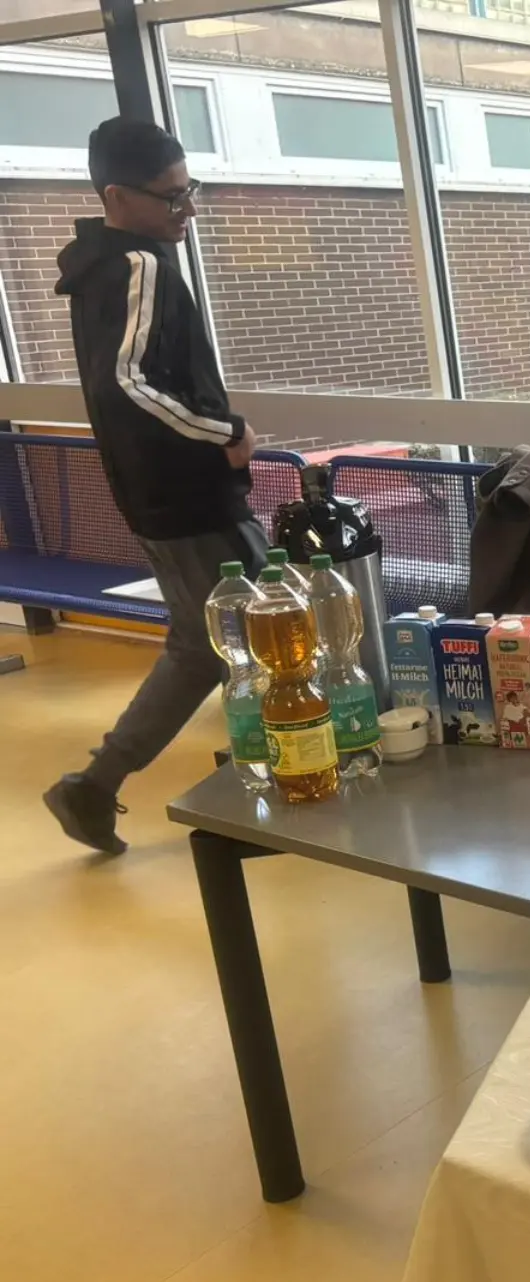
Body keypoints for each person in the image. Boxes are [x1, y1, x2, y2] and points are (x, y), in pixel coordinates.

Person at [43, 117, 262, 856]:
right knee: (257, 628)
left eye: (189, 190)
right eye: (172, 198)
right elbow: (128, 382)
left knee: (211, 642)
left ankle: (97, 786)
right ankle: (103, 785)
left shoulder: (105, 265)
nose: (187, 210)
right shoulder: (139, 266)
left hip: (158, 493)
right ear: (117, 196)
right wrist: (224, 434)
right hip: (186, 494)